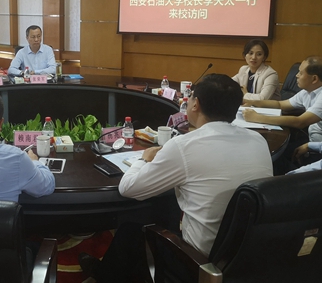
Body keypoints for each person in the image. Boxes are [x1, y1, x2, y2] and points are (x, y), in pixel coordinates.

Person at [80, 74, 272, 282]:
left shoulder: (184, 146)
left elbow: (128, 188)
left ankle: (106, 276)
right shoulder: (259, 140)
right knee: (168, 207)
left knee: (132, 228)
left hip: (201, 263)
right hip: (251, 257)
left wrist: (144, 159)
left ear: (196, 104)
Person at [243, 56, 322, 145]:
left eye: (300, 73)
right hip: (312, 139)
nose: (297, 75)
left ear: (314, 79)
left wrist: (258, 118)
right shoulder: (307, 92)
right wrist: (252, 102)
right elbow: (280, 104)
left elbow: (300, 121)